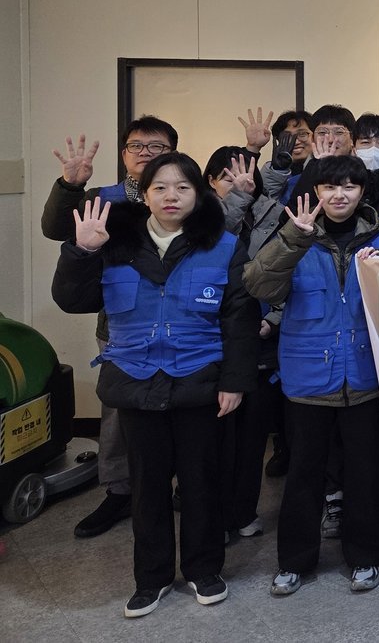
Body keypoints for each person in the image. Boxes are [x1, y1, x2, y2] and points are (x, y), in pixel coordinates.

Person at [51, 152, 259, 618]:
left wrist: (234, 381)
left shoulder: (224, 245)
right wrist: (82, 252)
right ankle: (152, 578)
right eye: (160, 187)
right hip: (136, 380)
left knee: (202, 483)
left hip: (200, 380)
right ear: (144, 195)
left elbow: (239, 319)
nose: (171, 196)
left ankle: (205, 570)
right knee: (146, 487)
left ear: (198, 195)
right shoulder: (113, 241)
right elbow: (72, 299)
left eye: (183, 187)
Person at [244, 155, 379, 596]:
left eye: (349, 186)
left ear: (362, 192)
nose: (339, 195)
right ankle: (294, 562)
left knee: (366, 474)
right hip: (308, 379)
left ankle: (366, 557)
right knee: (303, 476)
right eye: (329, 186)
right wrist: (294, 237)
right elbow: (258, 285)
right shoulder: (294, 235)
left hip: (366, 377)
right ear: (315, 192)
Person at [42, 115, 179, 539]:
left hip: (181, 325)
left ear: (172, 153)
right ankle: (120, 492)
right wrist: (70, 187)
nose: (146, 154)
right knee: (119, 412)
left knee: (184, 405)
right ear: (124, 154)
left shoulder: (185, 195)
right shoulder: (102, 198)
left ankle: (181, 486)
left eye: (157, 147)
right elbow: (55, 229)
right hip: (120, 326)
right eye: (137, 146)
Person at [203, 147, 282, 540]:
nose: (240, 183)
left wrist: (272, 319)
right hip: (215, 344)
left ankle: (243, 510)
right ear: (210, 181)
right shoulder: (201, 221)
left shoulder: (277, 214)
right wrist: (238, 200)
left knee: (252, 438)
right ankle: (213, 518)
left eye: (246, 175)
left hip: (262, 344)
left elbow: (291, 272)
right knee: (213, 441)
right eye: (228, 177)